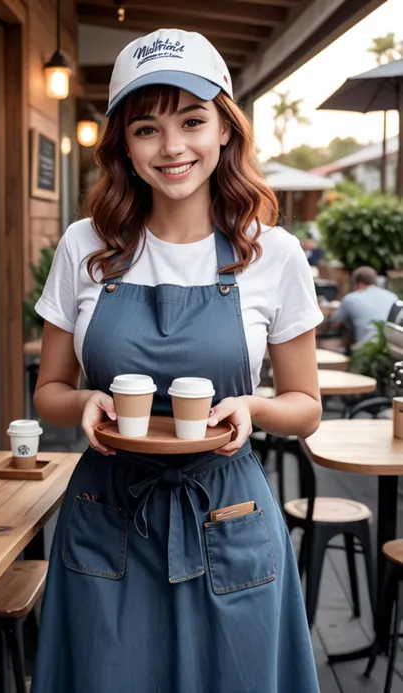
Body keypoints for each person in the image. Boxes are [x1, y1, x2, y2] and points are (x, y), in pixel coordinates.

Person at [30, 29, 323, 693]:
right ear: (123, 146)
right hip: (108, 512)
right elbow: (49, 387)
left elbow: (306, 407)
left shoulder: (270, 253)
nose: (172, 148)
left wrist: (251, 406)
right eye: (146, 128)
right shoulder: (86, 246)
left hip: (229, 516)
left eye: (192, 120)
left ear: (225, 128)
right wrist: (81, 403)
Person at [330, 266, 397, 346]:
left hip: (365, 350)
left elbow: (334, 323)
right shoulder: (392, 297)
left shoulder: (351, 298)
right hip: (390, 348)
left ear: (359, 283)